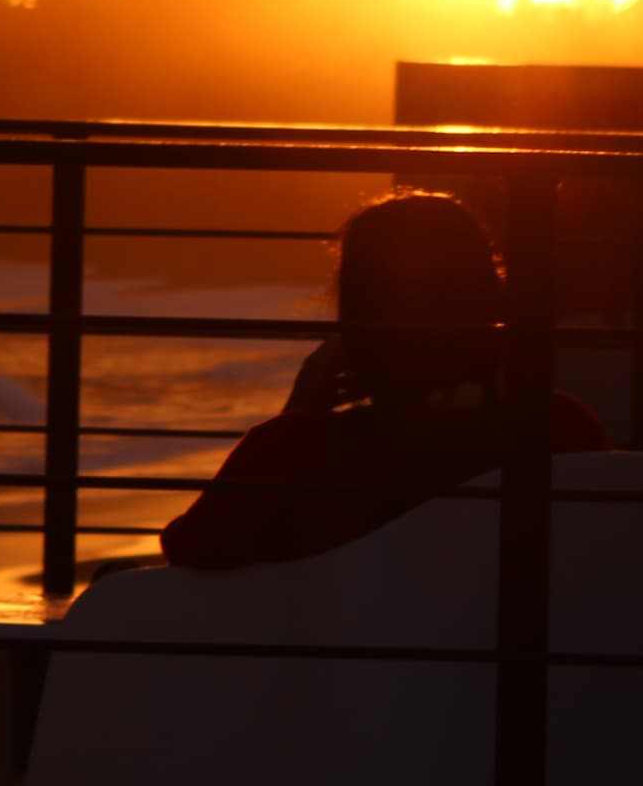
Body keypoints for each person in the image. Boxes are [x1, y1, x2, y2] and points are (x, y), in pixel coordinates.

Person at [159, 189, 607, 571]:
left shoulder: (289, 456)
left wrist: (299, 416)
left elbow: (189, 555)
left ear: (355, 318)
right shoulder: (560, 428)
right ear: (490, 304)